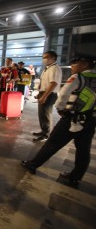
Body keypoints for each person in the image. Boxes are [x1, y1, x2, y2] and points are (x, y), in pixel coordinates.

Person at [20, 53, 96, 189]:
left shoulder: (78, 77)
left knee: (52, 143)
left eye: (75, 63)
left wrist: (61, 110)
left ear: (85, 64)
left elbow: (63, 95)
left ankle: (32, 165)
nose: (72, 66)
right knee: (83, 151)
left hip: (72, 118)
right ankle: (75, 178)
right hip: (90, 121)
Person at [32, 51, 62, 143]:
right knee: (42, 114)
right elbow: (45, 83)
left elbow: (53, 83)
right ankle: (44, 131)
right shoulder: (48, 68)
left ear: (53, 58)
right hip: (44, 93)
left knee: (46, 114)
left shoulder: (54, 68)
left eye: (46, 57)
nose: (44, 59)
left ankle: (46, 135)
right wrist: (40, 93)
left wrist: (44, 96)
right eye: (43, 57)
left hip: (49, 94)